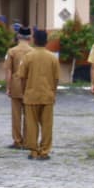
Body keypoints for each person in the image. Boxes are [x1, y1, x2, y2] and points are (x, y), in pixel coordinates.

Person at [18, 29, 60, 160]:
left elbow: (22, 77)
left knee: (31, 124)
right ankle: (45, 151)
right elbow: (56, 78)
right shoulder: (53, 57)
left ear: (34, 40)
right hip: (47, 95)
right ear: (46, 41)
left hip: (31, 95)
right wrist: (53, 91)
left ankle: (33, 151)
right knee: (47, 125)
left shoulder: (28, 57)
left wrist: (24, 91)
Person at [3, 26, 34, 149]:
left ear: (18, 36)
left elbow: (9, 71)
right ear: (30, 38)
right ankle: (28, 140)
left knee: (16, 115)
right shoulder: (33, 52)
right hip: (29, 85)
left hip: (16, 84)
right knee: (29, 114)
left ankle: (17, 140)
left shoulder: (12, 51)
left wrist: (8, 87)